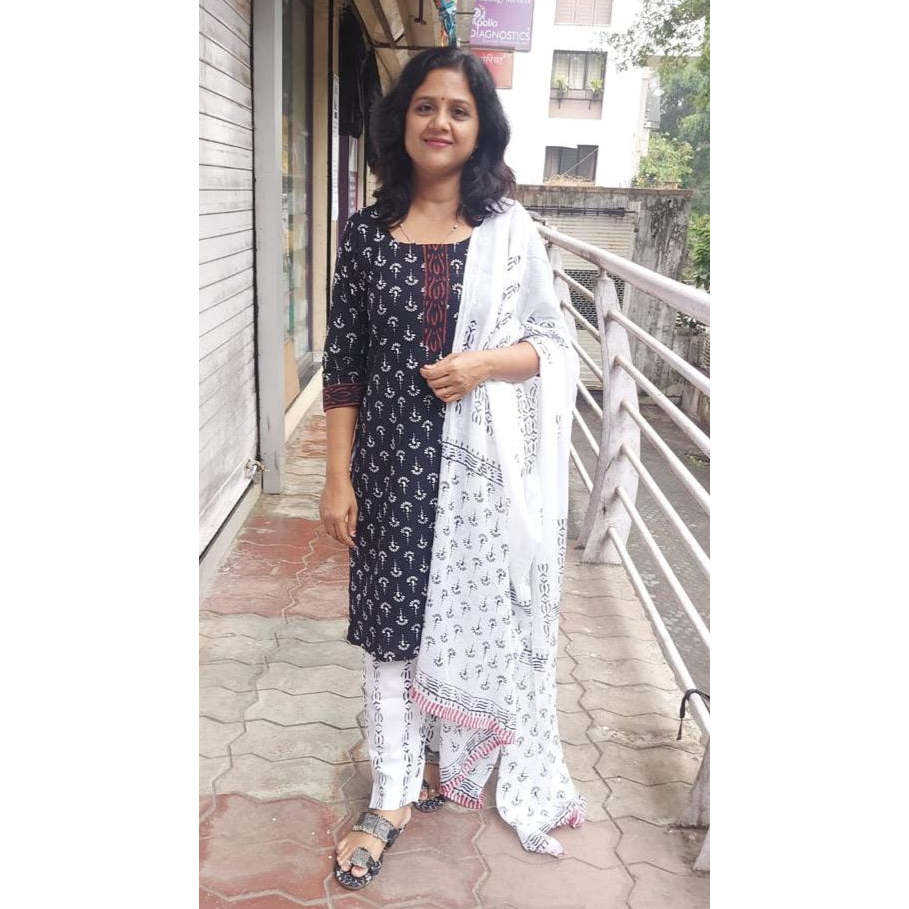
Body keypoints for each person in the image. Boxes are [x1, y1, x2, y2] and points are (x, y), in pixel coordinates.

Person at [319, 46, 584, 892]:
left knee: (459, 621)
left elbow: (554, 346)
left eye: (459, 110)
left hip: (480, 478)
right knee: (390, 634)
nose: (440, 122)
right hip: (389, 471)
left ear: (480, 129)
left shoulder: (508, 234)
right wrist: (336, 477)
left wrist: (482, 366)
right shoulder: (365, 234)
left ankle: (442, 755)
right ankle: (390, 796)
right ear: (401, 119)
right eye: (426, 106)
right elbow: (344, 365)